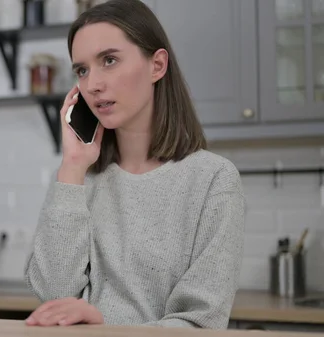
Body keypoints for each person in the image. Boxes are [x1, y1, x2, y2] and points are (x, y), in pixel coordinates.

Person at [23, 0, 246, 330]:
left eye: (109, 60)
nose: (93, 84)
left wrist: (105, 323)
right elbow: (54, 295)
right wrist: (71, 166)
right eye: (82, 70)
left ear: (157, 65)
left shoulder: (213, 180)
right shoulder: (80, 179)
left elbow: (200, 323)